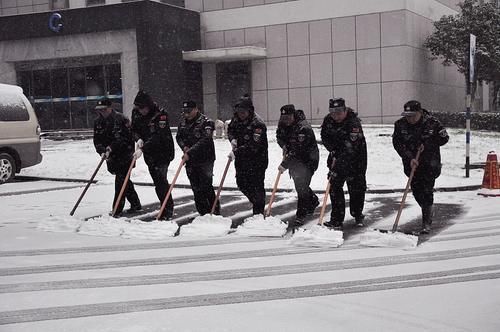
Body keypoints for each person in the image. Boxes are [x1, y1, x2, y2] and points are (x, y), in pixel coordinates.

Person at [393, 100, 449, 234]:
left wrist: (428, 144)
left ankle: (426, 222)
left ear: (420, 112)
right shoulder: (400, 125)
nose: (410, 119)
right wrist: (409, 157)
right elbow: (397, 143)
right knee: (417, 191)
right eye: (407, 115)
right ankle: (427, 208)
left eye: (412, 115)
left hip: (430, 162)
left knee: (427, 190)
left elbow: (444, 139)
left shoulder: (433, 123)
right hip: (411, 163)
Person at [320, 98, 367, 230]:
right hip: (337, 157)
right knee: (334, 187)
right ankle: (336, 219)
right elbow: (324, 137)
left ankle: (357, 214)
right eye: (333, 112)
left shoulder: (353, 123)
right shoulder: (328, 120)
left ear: (345, 110)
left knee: (356, 189)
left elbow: (351, 149)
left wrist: (338, 164)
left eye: (339, 112)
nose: (336, 115)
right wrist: (333, 150)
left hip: (356, 161)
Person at [131, 90, 175, 219]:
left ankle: (167, 210)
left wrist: (143, 149)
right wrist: (138, 139)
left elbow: (158, 136)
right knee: (157, 181)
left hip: (163, 152)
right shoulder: (136, 112)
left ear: (148, 105)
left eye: (143, 108)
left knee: (161, 180)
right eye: (139, 108)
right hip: (148, 152)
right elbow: (133, 129)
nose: (141, 111)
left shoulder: (160, 114)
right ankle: (164, 206)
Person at [93, 98, 141, 215]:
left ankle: (116, 209)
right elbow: (97, 139)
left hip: (125, 155)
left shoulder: (121, 119)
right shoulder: (98, 122)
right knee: (124, 181)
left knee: (120, 181)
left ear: (110, 108)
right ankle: (135, 203)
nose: (102, 112)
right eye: (100, 110)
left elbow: (126, 138)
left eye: (104, 109)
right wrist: (102, 151)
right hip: (111, 157)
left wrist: (111, 147)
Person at [276, 104, 320, 227]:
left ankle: (301, 214)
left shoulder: (303, 128)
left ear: (293, 115)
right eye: (284, 118)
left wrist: (284, 164)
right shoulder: (283, 123)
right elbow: (279, 136)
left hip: (308, 159)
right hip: (294, 159)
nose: (286, 120)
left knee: (301, 187)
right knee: (300, 185)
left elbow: (298, 150)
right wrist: (284, 145)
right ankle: (313, 200)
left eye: (288, 117)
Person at [176, 101, 220, 216]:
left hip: (205, 159)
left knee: (206, 186)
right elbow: (179, 137)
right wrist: (184, 147)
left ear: (196, 109)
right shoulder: (183, 123)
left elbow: (205, 140)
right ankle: (203, 213)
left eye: (189, 111)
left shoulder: (206, 123)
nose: (186, 114)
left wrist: (190, 151)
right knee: (196, 188)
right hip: (190, 160)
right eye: (184, 112)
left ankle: (214, 210)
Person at [227, 94, 268, 216]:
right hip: (241, 159)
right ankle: (256, 202)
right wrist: (232, 139)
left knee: (257, 186)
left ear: (249, 111)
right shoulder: (236, 118)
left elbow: (253, 146)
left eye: (243, 112)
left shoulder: (257, 124)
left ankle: (259, 214)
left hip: (257, 160)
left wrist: (236, 152)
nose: (241, 114)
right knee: (241, 183)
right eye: (239, 112)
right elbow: (230, 130)